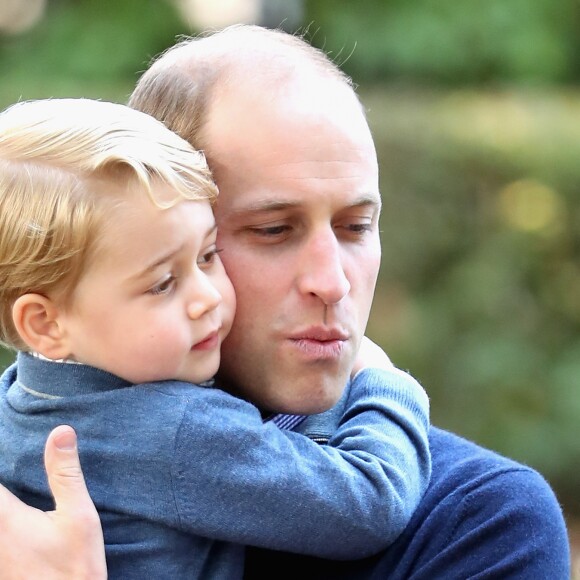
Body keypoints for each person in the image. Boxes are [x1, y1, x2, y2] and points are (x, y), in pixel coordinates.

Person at [0, 25, 570, 579]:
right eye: (273, 230)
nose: (332, 282)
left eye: (356, 226)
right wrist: (391, 385)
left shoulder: (478, 524)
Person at [0, 97, 430, 579]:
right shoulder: (179, 429)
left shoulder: (14, 399)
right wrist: (385, 382)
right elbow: (368, 503)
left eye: (207, 256)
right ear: (44, 324)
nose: (206, 296)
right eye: (162, 283)